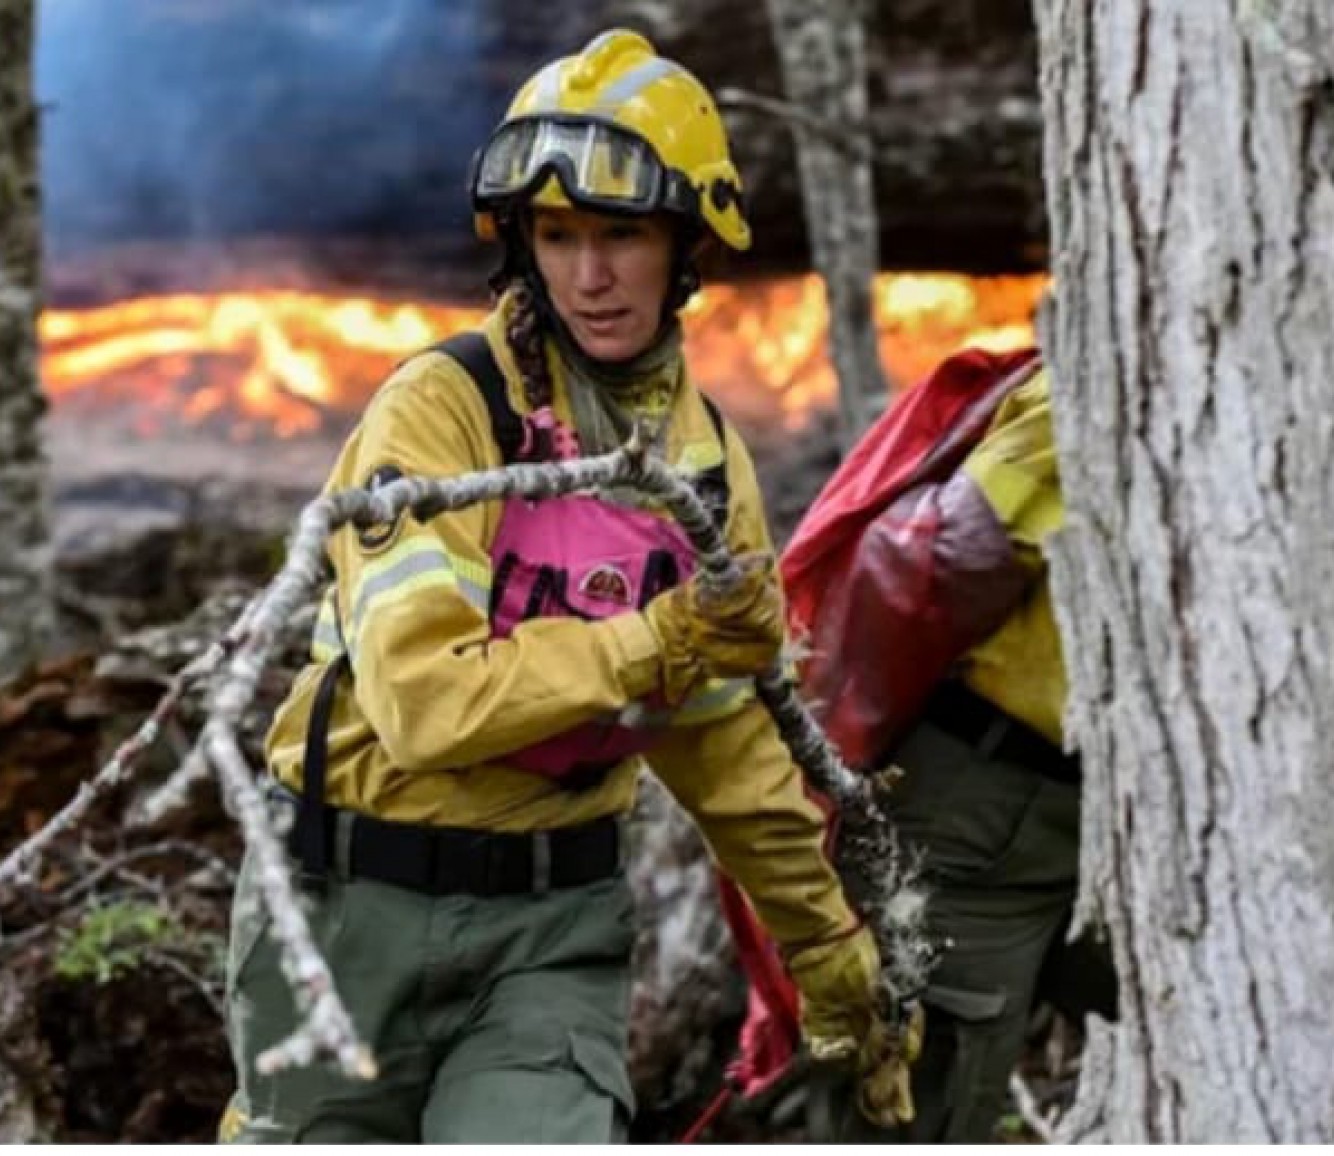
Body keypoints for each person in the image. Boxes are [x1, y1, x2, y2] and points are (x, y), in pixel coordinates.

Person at [218, 28, 912, 1144]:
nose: (589, 275)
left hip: (552, 930)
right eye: (558, 235)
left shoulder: (705, 470)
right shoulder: (441, 414)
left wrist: (828, 949)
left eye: (622, 235)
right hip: (347, 912)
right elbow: (424, 703)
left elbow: (726, 745)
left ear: (688, 243)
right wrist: (662, 638)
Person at [768, 343, 1118, 1143]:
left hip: (1094, 824)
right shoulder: (1097, 380)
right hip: (975, 815)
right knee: (917, 1104)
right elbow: (945, 561)